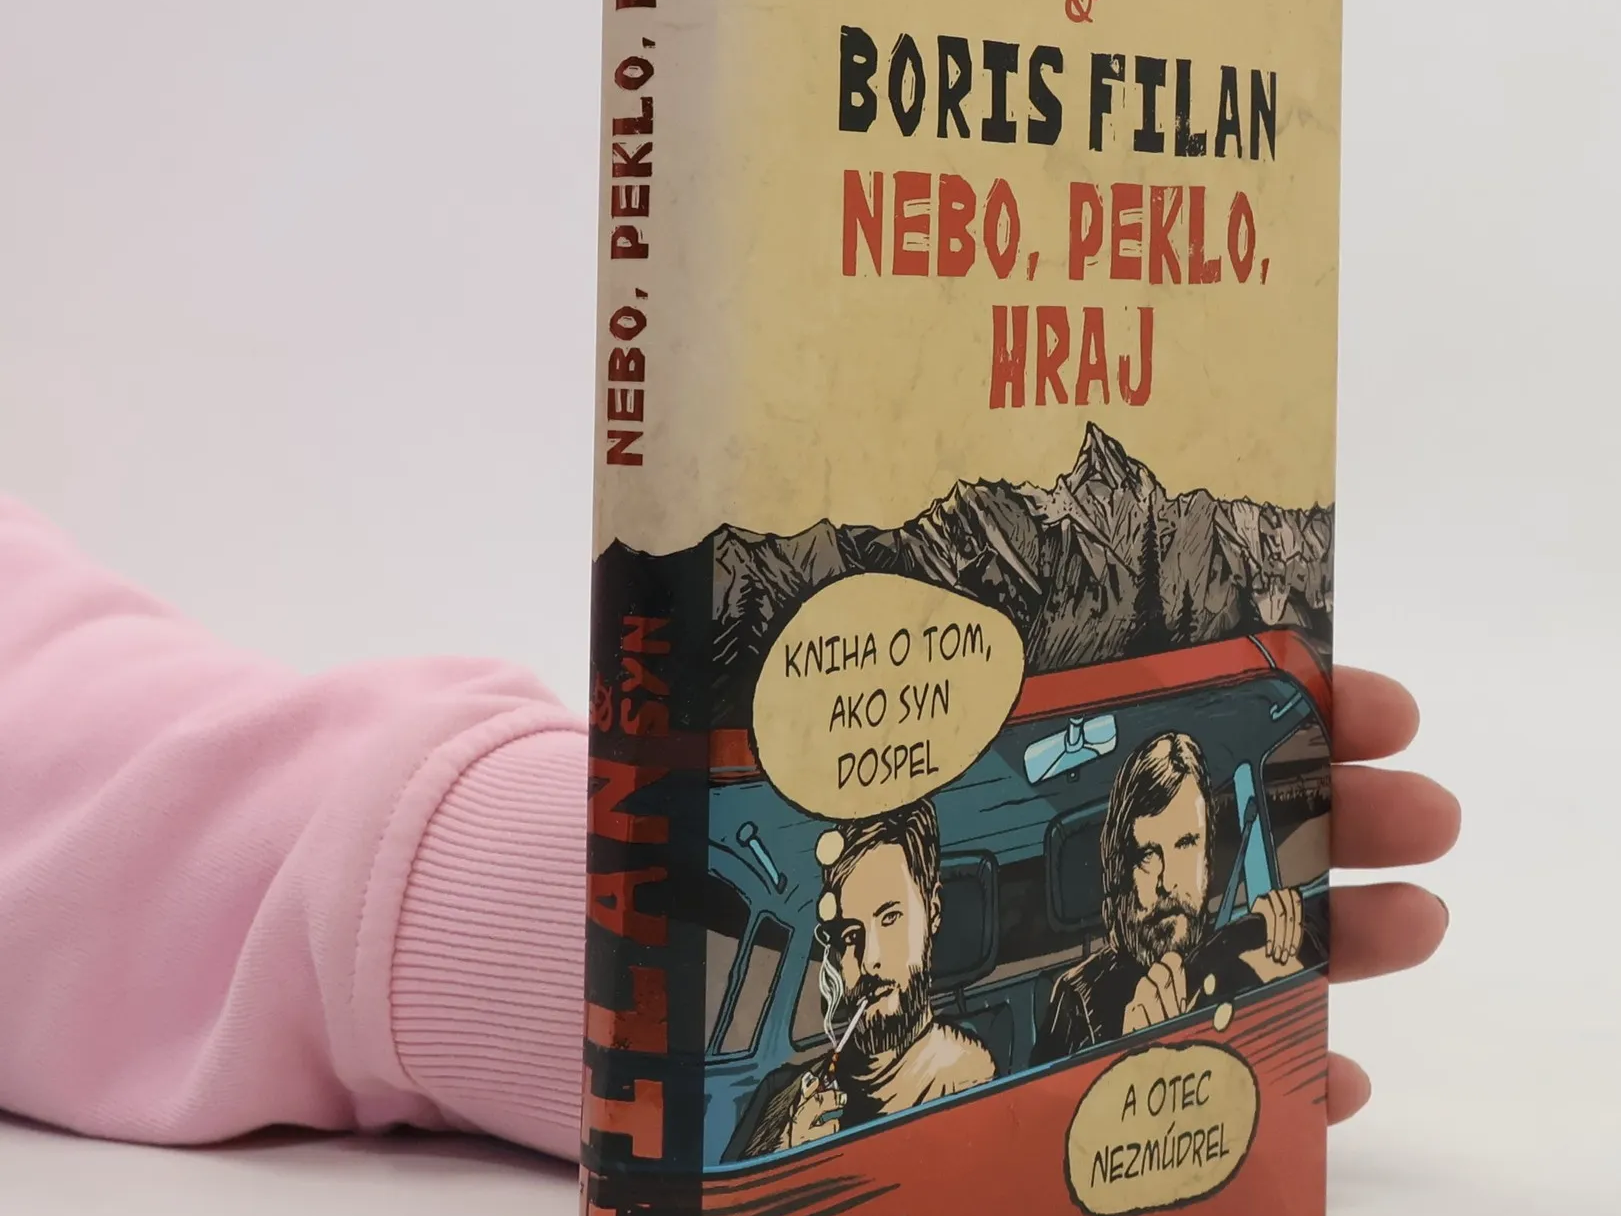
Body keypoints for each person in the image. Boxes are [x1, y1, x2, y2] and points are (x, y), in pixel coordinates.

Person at [0, 494, 1457, 1157]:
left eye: (1183, 850)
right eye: (842, 932)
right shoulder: (826, 1087)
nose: (1160, 880)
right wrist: (511, 915)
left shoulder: (1025, 1039)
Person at [733, 801, 996, 1156]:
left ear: (933, 911)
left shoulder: (966, 1079)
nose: (870, 960)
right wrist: (788, 1151)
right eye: (850, 936)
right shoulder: (787, 1096)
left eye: (890, 918)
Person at [1032, 731, 1313, 1062]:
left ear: (1207, 858)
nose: (1167, 881)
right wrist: (1131, 1056)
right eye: (1147, 855)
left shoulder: (1240, 945)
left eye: (1185, 845)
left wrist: (1279, 939)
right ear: (1122, 873)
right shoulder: (1078, 999)